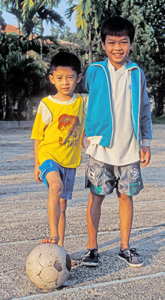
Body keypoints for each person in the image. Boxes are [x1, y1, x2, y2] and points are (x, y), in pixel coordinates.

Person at [82, 16, 152, 268]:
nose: (117, 47)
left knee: (126, 197)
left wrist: (146, 141)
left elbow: (144, 108)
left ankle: (125, 246)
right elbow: (80, 101)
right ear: (103, 45)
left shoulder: (136, 73)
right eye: (111, 42)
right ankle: (92, 248)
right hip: (100, 149)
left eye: (123, 42)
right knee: (96, 197)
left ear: (131, 44)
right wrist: (82, 130)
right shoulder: (94, 71)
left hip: (129, 149)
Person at [31, 52, 86, 249]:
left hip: (69, 161)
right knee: (55, 186)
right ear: (52, 78)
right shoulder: (47, 104)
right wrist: (37, 164)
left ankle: (60, 248)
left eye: (70, 77)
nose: (65, 82)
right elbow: (38, 136)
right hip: (49, 157)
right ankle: (53, 234)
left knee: (62, 205)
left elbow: (82, 126)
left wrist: (86, 140)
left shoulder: (80, 102)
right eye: (60, 78)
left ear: (78, 78)